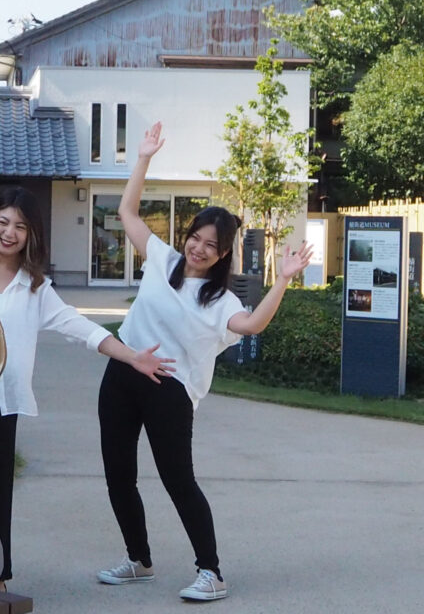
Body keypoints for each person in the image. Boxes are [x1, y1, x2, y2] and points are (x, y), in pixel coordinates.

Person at [0, 135, 173, 591]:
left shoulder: (34, 287)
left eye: (20, 227)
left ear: (31, 235)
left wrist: (131, 356)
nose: (9, 232)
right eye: (3, 222)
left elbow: (81, 328)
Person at [96, 121, 312, 601]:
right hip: (123, 373)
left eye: (211, 245)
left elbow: (252, 325)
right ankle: (139, 560)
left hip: (169, 389)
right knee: (118, 474)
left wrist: (283, 279)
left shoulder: (220, 301)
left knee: (178, 480)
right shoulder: (162, 259)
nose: (198, 248)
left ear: (223, 254)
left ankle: (211, 572)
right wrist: (143, 157)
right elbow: (127, 210)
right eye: (196, 237)